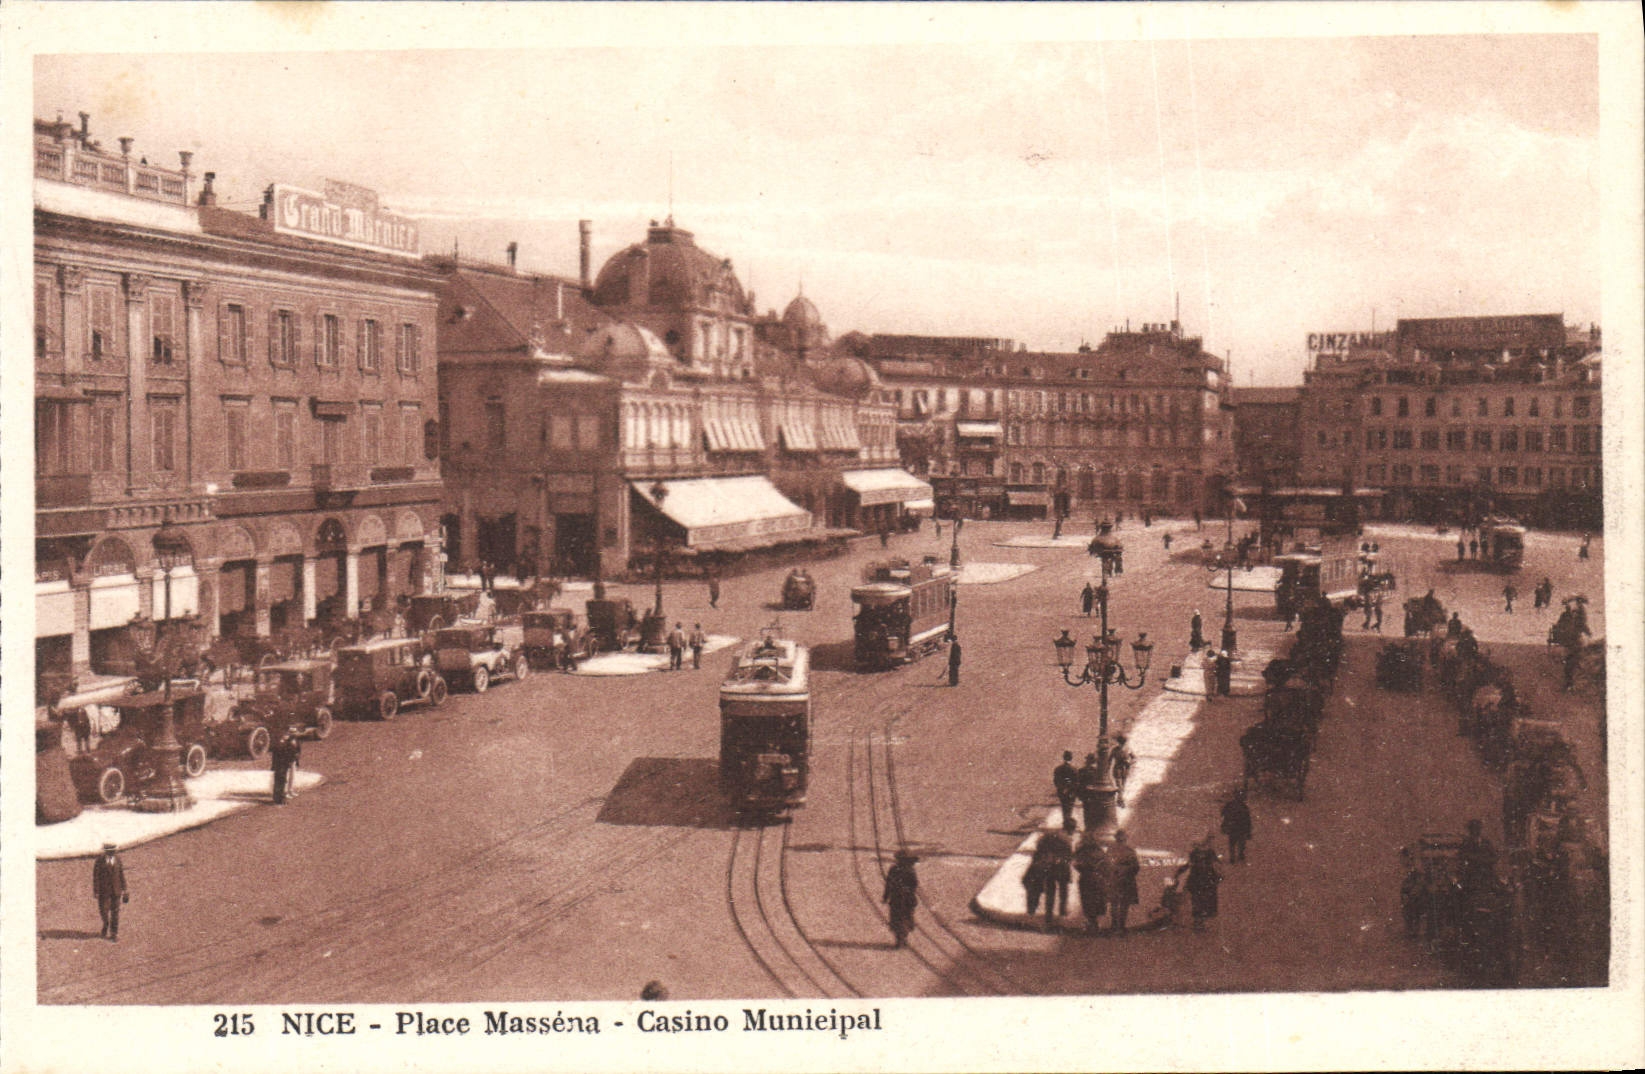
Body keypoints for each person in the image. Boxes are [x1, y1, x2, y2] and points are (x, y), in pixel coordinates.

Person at [1177, 837, 1223, 930]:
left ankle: (1198, 921)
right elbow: (1217, 865)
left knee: (1197, 901)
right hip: (1207, 881)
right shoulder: (1210, 853)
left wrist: (1179, 872)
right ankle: (1200, 921)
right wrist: (1219, 876)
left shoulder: (1194, 854)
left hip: (1196, 881)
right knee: (1204, 901)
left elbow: (1189, 865)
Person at [1074, 828, 1110, 934]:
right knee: (1098, 900)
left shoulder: (1081, 851)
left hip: (1086, 879)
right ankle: (1095, 924)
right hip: (1099, 879)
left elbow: (1076, 864)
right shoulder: (1100, 851)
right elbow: (1106, 866)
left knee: (1087, 901)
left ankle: (1091, 923)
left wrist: (1083, 870)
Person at [1035, 829, 1073, 925]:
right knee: (1063, 891)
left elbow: (1039, 855)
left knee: (1050, 893)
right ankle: (1062, 911)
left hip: (1050, 869)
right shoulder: (1065, 842)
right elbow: (1069, 857)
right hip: (1062, 869)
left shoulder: (1044, 842)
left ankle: (1049, 915)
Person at [882, 851, 919, 948]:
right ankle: (902, 938)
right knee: (903, 918)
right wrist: (886, 896)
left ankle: (901, 938)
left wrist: (886, 896)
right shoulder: (908, 870)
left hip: (900, 899)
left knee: (900, 918)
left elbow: (889, 884)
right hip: (904, 899)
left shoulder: (895, 869)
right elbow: (914, 885)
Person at [92, 842, 129, 941]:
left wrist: (125, 889)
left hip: (116, 890)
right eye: (110, 851)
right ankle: (106, 924)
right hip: (104, 891)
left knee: (115, 913)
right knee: (104, 911)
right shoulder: (99, 861)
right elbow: (96, 877)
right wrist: (96, 891)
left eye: (113, 851)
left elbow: (121, 875)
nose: (112, 853)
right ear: (106, 852)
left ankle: (114, 933)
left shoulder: (118, 860)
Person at [1107, 829, 1141, 932]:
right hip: (1126, 879)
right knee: (1124, 903)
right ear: (1126, 838)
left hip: (1114, 878)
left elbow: (1106, 865)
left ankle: (1113, 924)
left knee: (1114, 902)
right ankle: (1121, 926)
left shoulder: (1110, 849)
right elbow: (1136, 867)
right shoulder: (1129, 850)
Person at [1221, 789, 1253, 863]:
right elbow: (1247, 820)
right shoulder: (1244, 807)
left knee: (1232, 843)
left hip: (1233, 827)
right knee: (1240, 842)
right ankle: (1239, 855)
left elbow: (1224, 815)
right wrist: (1248, 831)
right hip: (1240, 828)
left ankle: (1233, 857)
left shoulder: (1230, 805)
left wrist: (1224, 825)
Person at [1076, 752, 1102, 830]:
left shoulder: (1082, 770)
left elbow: (1078, 783)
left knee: (1086, 811)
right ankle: (1093, 826)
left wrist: (1079, 795)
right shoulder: (1098, 771)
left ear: (1087, 761)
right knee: (1094, 811)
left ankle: (1087, 827)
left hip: (1085, 794)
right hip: (1094, 794)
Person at [1052, 751, 1079, 827]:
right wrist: (1070, 789)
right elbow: (1076, 782)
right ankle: (1068, 823)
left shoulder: (1058, 769)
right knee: (1069, 808)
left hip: (1061, 791)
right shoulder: (1074, 769)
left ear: (1063, 758)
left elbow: (1056, 781)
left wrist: (1062, 788)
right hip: (1071, 792)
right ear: (1071, 758)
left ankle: (1065, 822)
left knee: (1064, 807)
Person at [1110, 735, 1135, 807]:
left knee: (1123, 786)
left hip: (1125, 769)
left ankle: (1119, 799)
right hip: (1117, 769)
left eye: (1123, 742)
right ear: (1119, 742)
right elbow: (1110, 759)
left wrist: (1129, 762)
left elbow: (1134, 758)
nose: (1122, 744)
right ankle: (1120, 801)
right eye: (1121, 742)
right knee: (1119, 786)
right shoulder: (1115, 750)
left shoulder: (1128, 749)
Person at [271, 730, 294, 805]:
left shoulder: (279, 743)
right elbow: (286, 755)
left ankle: (277, 798)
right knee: (281, 782)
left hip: (280, 766)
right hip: (281, 765)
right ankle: (280, 799)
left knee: (279, 782)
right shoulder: (283, 744)